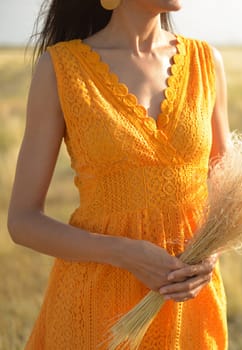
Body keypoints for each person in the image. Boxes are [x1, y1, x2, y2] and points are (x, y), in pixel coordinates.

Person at [7, 0, 230, 348]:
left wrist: (210, 254)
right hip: (97, 311)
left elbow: (229, 194)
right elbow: (22, 221)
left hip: (189, 307)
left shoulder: (206, 63)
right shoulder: (61, 68)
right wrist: (124, 253)